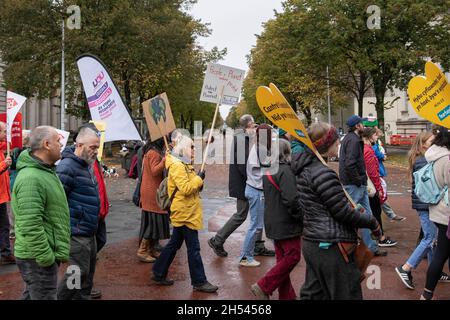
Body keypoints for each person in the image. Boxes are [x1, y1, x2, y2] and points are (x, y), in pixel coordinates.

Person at [292, 122, 382, 300]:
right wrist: (371, 222)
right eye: (336, 142)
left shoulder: (304, 169)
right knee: (347, 293)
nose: (339, 145)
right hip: (331, 246)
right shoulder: (323, 173)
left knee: (313, 295)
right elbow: (342, 213)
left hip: (312, 242)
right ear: (327, 145)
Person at [152, 135, 218, 293]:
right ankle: (199, 281)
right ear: (183, 149)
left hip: (186, 211)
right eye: (192, 147)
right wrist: (199, 179)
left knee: (174, 244)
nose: (194, 150)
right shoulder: (178, 165)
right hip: (185, 213)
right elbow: (186, 188)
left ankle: (158, 271)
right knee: (193, 248)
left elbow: (192, 186)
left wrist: (199, 179)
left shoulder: (184, 163)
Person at [12, 126, 70, 299]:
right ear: (46, 144)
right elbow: (30, 224)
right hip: (37, 257)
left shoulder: (44, 171)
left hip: (37, 255)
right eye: (58, 141)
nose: (61, 145)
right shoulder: (32, 177)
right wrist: (46, 257)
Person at [208, 115, 274, 258]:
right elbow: (243, 165)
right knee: (241, 215)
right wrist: (254, 179)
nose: (255, 127)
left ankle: (258, 245)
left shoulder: (245, 138)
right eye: (253, 125)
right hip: (244, 184)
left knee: (257, 214)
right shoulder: (241, 139)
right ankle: (217, 240)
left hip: (246, 183)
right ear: (248, 125)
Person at [395, 132, 449, 289]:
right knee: (430, 238)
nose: (435, 143)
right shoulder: (424, 160)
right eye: (432, 141)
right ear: (423, 144)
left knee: (433, 239)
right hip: (425, 205)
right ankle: (406, 268)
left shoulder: (422, 158)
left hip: (424, 204)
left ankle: (435, 269)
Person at [251, 139, 302, 300]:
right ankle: (263, 285)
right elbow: (292, 200)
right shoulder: (285, 171)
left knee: (282, 262)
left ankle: (287, 296)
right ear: (287, 153)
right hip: (286, 223)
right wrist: (301, 218)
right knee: (293, 256)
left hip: (273, 221)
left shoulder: (269, 170)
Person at [57, 125, 101, 300]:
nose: (96, 151)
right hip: (76, 232)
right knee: (76, 273)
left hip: (89, 231)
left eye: (97, 147)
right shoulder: (67, 167)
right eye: (93, 147)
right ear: (79, 145)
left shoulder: (86, 164)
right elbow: (58, 202)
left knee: (87, 273)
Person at [339, 115, 386, 257]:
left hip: (355, 183)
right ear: (357, 126)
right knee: (354, 217)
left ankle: (371, 247)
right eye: (361, 124)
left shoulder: (350, 139)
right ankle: (348, 247)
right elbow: (350, 164)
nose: (363, 126)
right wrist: (359, 180)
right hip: (354, 184)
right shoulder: (353, 141)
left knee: (367, 216)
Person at [421, 126, 450, 300]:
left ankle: (426, 294)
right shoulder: (447, 159)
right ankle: (426, 294)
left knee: (441, 253)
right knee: (440, 255)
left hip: (438, 211)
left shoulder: (434, 154)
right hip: (447, 213)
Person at [239, 124, 273, 267]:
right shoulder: (260, 148)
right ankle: (246, 256)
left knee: (256, 225)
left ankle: (247, 255)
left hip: (253, 188)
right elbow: (267, 169)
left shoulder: (258, 147)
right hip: (256, 190)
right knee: (255, 226)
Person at [362, 127, 397, 247]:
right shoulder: (368, 150)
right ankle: (379, 237)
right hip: (371, 185)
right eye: (375, 135)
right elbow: (373, 172)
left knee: (371, 210)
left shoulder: (363, 148)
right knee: (376, 211)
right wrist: (379, 189)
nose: (377, 137)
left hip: (366, 184)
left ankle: (376, 236)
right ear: (369, 136)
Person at [137, 138, 170, 263]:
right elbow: (155, 171)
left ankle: (150, 249)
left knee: (153, 221)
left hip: (149, 190)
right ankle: (142, 251)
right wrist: (164, 160)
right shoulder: (153, 153)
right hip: (151, 192)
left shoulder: (151, 151)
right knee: (153, 223)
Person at [373, 128, 406, 222]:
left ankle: (391, 214)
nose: (379, 136)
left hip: (377, 171)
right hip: (376, 172)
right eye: (377, 135)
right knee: (380, 195)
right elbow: (376, 153)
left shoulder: (374, 143)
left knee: (378, 197)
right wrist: (382, 156)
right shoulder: (373, 145)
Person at [8, 133, 31, 240]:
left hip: (22, 182)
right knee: (12, 209)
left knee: (21, 208)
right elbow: (12, 165)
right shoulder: (14, 150)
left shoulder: (28, 151)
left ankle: (19, 229)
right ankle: (13, 230)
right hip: (13, 183)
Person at [0, 122, 13, 265]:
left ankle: (5, 253)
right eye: (4, 131)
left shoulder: (2, 148)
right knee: (3, 226)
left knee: (4, 226)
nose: (6, 134)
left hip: (1, 196)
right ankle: (5, 252)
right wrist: (4, 164)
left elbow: (10, 143)